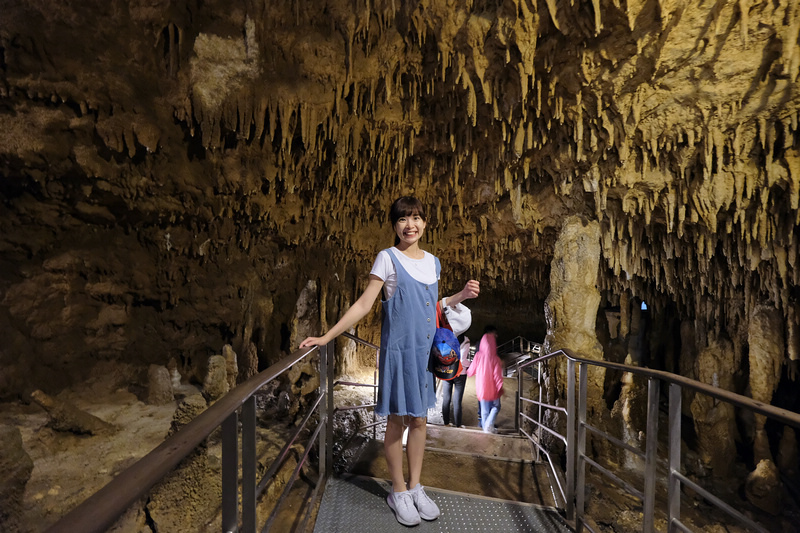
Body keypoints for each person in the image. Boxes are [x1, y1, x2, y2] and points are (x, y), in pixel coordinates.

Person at [299, 196, 480, 526]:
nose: (409, 225)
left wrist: (460, 297)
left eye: (416, 218)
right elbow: (365, 304)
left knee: (421, 421)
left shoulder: (433, 263)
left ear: (425, 223)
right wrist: (327, 336)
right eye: (402, 220)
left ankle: (415, 486)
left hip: (425, 355)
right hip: (398, 354)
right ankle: (398, 490)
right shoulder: (387, 258)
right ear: (394, 225)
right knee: (397, 421)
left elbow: (432, 306)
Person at [466, 325, 504, 433]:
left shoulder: (478, 355)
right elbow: (497, 375)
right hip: (493, 388)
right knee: (496, 407)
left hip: (481, 387)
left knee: (484, 410)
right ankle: (488, 425)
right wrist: (500, 386)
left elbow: (471, 370)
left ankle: (485, 429)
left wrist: (465, 372)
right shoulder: (495, 359)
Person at [441, 335, 470, 427]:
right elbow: (463, 360)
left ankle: (446, 423)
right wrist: (469, 364)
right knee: (457, 400)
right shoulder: (465, 340)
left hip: (447, 371)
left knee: (446, 399)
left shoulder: (446, 336)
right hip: (460, 373)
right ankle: (458, 425)